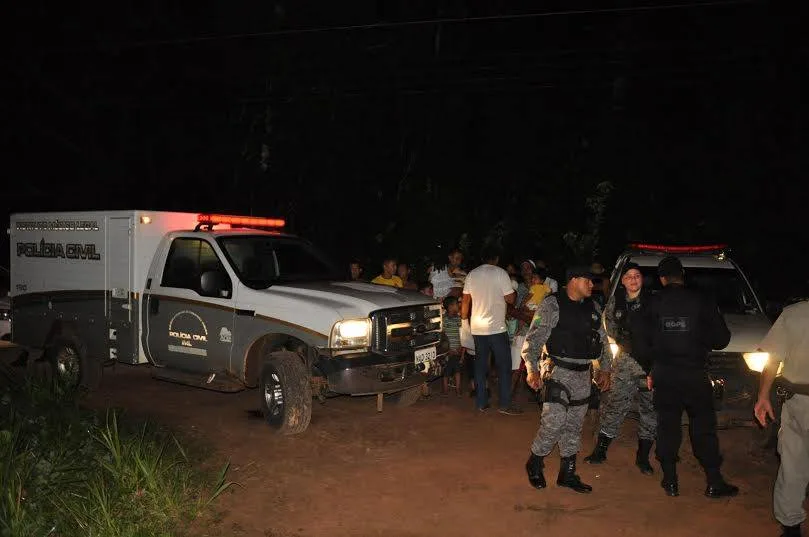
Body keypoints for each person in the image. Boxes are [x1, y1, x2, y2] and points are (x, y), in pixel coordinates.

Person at [645, 255, 737, 498]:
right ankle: (714, 482)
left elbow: (642, 342)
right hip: (695, 375)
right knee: (704, 427)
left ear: (662, 279)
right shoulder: (702, 300)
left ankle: (670, 481)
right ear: (682, 276)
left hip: (665, 375)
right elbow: (721, 339)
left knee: (667, 426)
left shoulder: (652, 302)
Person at [522, 266, 612, 493]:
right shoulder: (552, 304)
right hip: (557, 371)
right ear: (573, 279)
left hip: (583, 374)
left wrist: (606, 370)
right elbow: (533, 340)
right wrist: (531, 370)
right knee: (553, 423)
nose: (593, 285)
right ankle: (535, 462)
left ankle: (567, 474)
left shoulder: (593, 307)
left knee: (574, 426)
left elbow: (602, 341)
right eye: (588, 280)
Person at [585, 262, 656, 475]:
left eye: (637, 275)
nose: (633, 279)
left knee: (650, 410)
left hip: (650, 366)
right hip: (624, 362)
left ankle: (643, 456)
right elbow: (609, 332)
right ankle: (601, 449)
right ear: (622, 281)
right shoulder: (615, 303)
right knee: (615, 405)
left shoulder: (654, 301)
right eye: (628, 276)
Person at [754, 299, 809, 537]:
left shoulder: (795, 313)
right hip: (798, 400)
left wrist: (763, 396)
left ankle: (791, 526)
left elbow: (773, 358)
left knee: (793, 462)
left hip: (800, 402)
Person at [461, 245, 520, 415]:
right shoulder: (501, 273)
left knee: (480, 365)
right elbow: (509, 299)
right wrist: (513, 290)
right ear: (496, 259)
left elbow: (465, 301)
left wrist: (465, 322)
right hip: (496, 328)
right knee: (504, 365)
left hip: (478, 328)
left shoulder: (472, 274)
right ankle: (504, 404)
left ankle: (481, 402)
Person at [442, 296, 465, 396]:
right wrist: (448, 349)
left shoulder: (459, 319)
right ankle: (446, 389)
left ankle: (458, 389)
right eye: (456, 304)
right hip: (447, 350)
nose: (458, 306)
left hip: (457, 349)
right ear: (450, 307)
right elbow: (442, 336)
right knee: (446, 371)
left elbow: (462, 334)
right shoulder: (444, 319)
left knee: (457, 370)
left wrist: (461, 347)